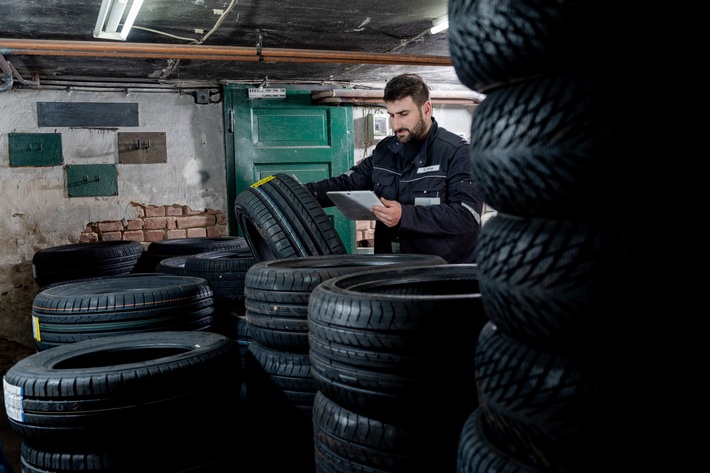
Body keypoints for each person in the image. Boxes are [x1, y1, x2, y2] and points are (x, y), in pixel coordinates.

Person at [304, 73, 482, 263]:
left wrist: (405, 215)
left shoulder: (459, 152)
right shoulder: (385, 150)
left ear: (426, 109)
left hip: (442, 272)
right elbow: (346, 183)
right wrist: (296, 192)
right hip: (391, 265)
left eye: (404, 114)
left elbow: (467, 215)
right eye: (391, 115)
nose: (396, 124)